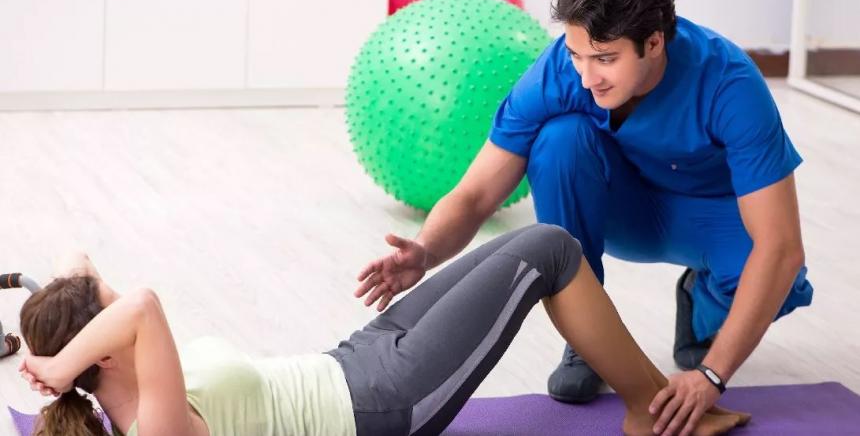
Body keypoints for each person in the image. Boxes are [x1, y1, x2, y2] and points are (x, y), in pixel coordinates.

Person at [355, 0, 812, 434]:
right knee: (559, 141)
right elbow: (476, 194)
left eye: (606, 59)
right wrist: (425, 251)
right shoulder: (561, 69)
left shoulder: (729, 83)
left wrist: (711, 375)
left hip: (707, 215)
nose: (587, 77)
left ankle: (702, 304)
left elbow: (780, 246)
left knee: (778, 282)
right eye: (577, 55)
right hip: (622, 208)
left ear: (654, 42)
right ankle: (587, 339)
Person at [18, 226, 747, 436]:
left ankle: (651, 403)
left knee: (531, 246)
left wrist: (60, 338)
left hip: (353, 359)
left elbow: (82, 264)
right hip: (388, 402)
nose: (115, 295)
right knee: (549, 250)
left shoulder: (127, 377)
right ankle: (653, 411)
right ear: (100, 353)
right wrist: (52, 366)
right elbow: (142, 303)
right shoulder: (154, 428)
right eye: (106, 308)